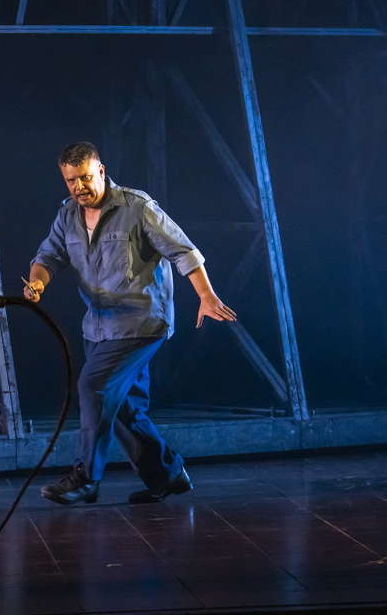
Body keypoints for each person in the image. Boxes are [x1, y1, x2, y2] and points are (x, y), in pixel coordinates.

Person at [25, 141, 236, 506]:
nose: (79, 188)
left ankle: (85, 478)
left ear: (101, 171)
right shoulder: (67, 216)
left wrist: (206, 295)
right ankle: (168, 476)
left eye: (86, 178)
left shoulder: (137, 208)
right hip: (99, 326)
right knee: (124, 409)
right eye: (71, 181)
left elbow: (183, 251)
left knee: (94, 386)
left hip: (141, 322)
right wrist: (39, 280)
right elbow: (47, 256)